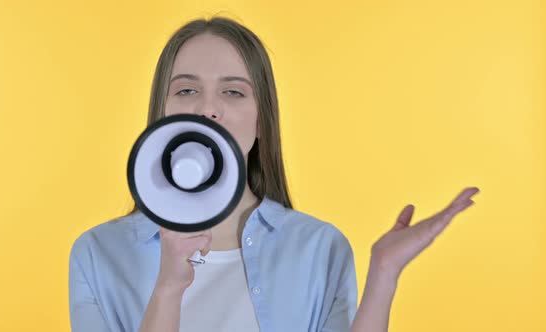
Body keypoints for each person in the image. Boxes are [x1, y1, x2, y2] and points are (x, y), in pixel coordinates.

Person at [68, 16, 480, 332]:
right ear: (162, 111)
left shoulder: (319, 248)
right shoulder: (98, 254)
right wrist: (169, 286)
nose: (208, 109)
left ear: (263, 119)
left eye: (233, 91)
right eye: (186, 90)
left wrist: (384, 273)